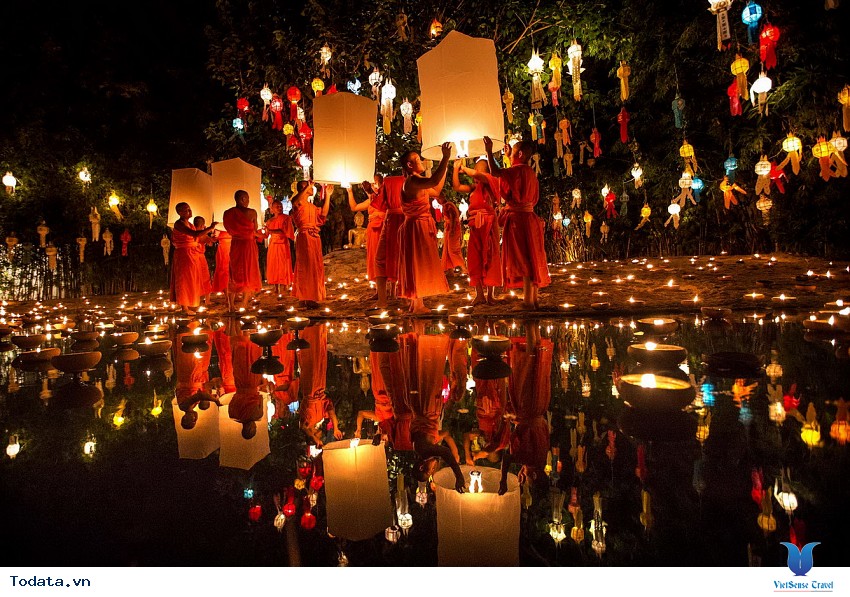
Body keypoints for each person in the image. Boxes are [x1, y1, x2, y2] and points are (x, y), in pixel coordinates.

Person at [484, 137, 551, 309]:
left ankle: (527, 302)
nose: (510, 153)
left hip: (518, 222)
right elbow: (510, 173)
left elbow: (495, 171)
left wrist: (490, 151)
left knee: (523, 260)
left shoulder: (516, 171)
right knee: (532, 258)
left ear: (520, 153)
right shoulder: (529, 171)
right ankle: (533, 299)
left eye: (512, 151)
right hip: (530, 219)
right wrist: (507, 157)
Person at [396, 142, 452, 314]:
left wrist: (447, 163)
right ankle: (418, 304)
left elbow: (436, 188)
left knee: (418, 262)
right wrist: (445, 157)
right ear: (410, 164)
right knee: (417, 262)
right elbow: (434, 180)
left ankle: (416, 303)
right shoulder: (412, 181)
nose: (422, 161)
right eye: (418, 159)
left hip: (418, 226)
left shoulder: (418, 182)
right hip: (416, 227)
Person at [452, 157, 502, 305]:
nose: (476, 172)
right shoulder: (474, 188)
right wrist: (456, 168)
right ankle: (479, 294)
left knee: (491, 257)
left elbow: (478, 175)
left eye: (479, 169)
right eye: (475, 168)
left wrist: (466, 169)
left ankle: (490, 295)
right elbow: (456, 187)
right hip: (475, 226)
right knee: (474, 258)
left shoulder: (491, 182)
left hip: (488, 224)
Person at [298, 324, 343, 447]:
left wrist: (314, 439)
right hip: (320, 389)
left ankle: (308, 331)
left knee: (310, 360)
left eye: (318, 437)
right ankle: (319, 330)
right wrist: (336, 428)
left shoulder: (306, 424)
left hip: (310, 390)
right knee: (320, 359)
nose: (320, 435)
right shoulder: (319, 418)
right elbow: (331, 410)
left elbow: (304, 428)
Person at [170, 202, 217, 315]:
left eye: (190, 209)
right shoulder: (179, 224)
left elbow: (198, 236)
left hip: (192, 253)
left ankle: (191, 303)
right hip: (183, 254)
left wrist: (209, 239)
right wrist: (210, 228)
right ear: (180, 212)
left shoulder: (190, 224)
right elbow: (195, 234)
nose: (190, 212)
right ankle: (184, 307)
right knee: (184, 280)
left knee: (192, 279)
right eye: (186, 210)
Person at [291, 181, 332, 309]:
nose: (312, 188)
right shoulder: (297, 203)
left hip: (314, 237)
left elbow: (323, 214)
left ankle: (311, 296)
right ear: (302, 189)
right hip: (304, 235)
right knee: (305, 265)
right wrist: (309, 184)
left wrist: (328, 195)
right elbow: (297, 201)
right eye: (308, 186)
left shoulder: (312, 206)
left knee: (314, 266)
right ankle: (304, 297)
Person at [223, 190, 263, 312]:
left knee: (234, 273)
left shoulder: (228, 213)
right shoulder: (251, 212)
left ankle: (231, 305)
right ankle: (244, 304)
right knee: (248, 272)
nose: (248, 201)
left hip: (235, 245)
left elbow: (228, 228)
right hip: (248, 245)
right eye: (248, 199)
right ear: (242, 199)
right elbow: (255, 228)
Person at [372, 170, 406, 307]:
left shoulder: (389, 181)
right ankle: (405, 296)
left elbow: (379, 204)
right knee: (404, 259)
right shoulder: (414, 181)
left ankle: (382, 300)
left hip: (393, 219)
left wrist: (371, 193)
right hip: (407, 219)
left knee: (381, 259)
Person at [348, 175, 385, 291]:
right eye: (371, 183)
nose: (372, 186)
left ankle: (391, 290)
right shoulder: (370, 199)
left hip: (384, 229)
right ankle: (379, 290)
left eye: (375, 183)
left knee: (385, 258)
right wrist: (349, 191)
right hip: (373, 231)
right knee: (374, 258)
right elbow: (355, 207)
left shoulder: (386, 197)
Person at [263, 199, 295, 296]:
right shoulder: (269, 221)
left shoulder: (286, 218)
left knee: (283, 264)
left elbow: (284, 232)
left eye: (281, 206)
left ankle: (285, 285)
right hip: (273, 245)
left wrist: (271, 231)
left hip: (282, 244)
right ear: (272, 209)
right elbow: (266, 235)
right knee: (274, 265)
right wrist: (254, 233)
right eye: (277, 206)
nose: (280, 208)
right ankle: (276, 286)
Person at [437, 193, 466, 275]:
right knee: (447, 248)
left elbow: (453, 218)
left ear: (442, 197)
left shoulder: (448, 205)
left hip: (452, 229)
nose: (437, 201)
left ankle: (462, 267)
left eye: (438, 199)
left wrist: (452, 229)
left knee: (452, 249)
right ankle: (449, 270)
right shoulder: (445, 206)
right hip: (449, 228)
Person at [193, 215, 214, 306]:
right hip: (199, 257)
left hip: (193, 257)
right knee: (205, 278)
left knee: (195, 278)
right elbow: (210, 243)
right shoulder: (200, 234)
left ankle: (196, 299)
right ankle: (207, 300)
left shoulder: (192, 233)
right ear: (202, 225)